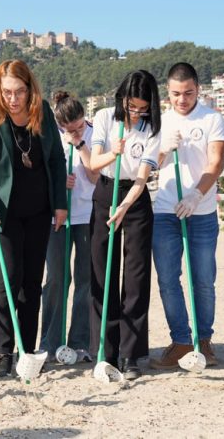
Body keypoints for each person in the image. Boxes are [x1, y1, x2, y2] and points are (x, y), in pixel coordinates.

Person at [0, 59, 67, 378]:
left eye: (19, 91)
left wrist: (60, 204)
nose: (13, 98)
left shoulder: (43, 113)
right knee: (8, 279)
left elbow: (55, 159)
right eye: (7, 91)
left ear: (29, 89)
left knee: (31, 283)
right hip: (1, 214)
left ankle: (26, 351)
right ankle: (3, 353)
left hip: (38, 212)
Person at [149, 63, 224, 369]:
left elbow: (217, 162)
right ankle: (181, 341)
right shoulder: (159, 121)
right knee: (168, 280)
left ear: (198, 89)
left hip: (202, 212)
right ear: (167, 91)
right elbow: (146, 165)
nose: (182, 100)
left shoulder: (212, 118)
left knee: (204, 280)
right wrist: (162, 151)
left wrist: (197, 194)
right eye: (176, 94)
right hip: (165, 211)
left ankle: (203, 341)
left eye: (189, 93)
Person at [87, 70, 161, 380]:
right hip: (105, 192)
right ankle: (105, 351)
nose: (136, 112)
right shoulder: (105, 117)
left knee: (135, 277)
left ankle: (131, 355)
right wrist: (111, 154)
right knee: (102, 274)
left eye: (143, 107)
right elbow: (92, 163)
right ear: (122, 98)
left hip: (135, 199)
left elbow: (143, 177)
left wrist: (125, 205)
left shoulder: (153, 128)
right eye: (132, 106)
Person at [38, 91, 98, 363]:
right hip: (58, 218)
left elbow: (95, 174)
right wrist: (60, 183)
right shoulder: (52, 137)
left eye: (78, 126)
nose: (74, 131)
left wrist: (81, 143)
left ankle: (80, 342)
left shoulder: (95, 134)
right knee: (57, 279)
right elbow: (44, 173)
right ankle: (49, 343)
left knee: (86, 280)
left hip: (87, 215)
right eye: (69, 128)